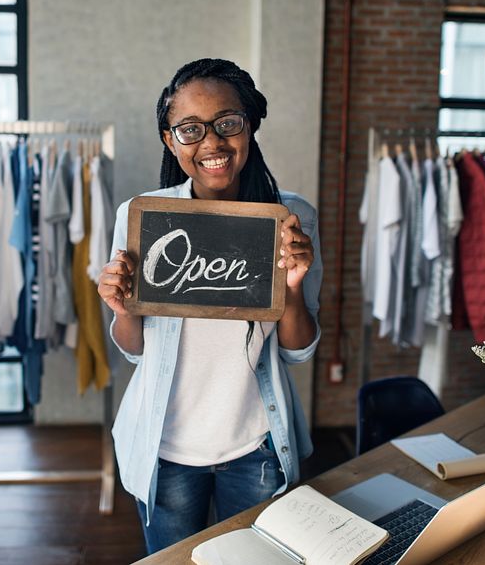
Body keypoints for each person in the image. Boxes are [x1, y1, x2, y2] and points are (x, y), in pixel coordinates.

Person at [96, 58, 322, 553]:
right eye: (191, 129)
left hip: (257, 447)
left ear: (250, 125)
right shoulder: (144, 217)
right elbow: (134, 351)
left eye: (227, 123)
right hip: (166, 448)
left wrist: (295, 287)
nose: (213, 143)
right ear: (169, 139)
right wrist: (122, 308)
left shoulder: (291, 217)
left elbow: (298, 352)